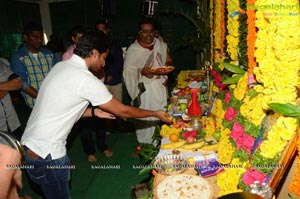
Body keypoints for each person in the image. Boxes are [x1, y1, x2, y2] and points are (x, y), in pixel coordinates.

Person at [21, 29, 172, 199]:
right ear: (94, 53)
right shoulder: (85, 79)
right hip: (48, 156)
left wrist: (93, 111)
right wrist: (156, 113)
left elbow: (61, 109)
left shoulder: (61, 66)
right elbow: (123, 111)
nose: (104, 64)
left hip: (29, 149)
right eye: (103, 58)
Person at [123, 18, 173, 144]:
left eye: (151, 31)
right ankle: (144, 145)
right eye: (145, 32)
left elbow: (169, 61)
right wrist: (141, 71)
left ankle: (159, 142)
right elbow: (127, 71)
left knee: (161, 113)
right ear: (139, 33)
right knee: (144, 117)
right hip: (143, 90)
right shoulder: (133, 49)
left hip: (159, 86)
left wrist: (165, 72)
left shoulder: (160, 44)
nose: (148, 35)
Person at [95, 19, 135, 133]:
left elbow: (119, 61)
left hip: (116, 80)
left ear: (108, 30)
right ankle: (108, 128)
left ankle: (122, 126)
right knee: (104, 106)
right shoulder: (95, 45)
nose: (102, 31)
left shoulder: (115, 43)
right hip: (102, 82)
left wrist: (112, 75)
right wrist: (105, 76)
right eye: (99, 29)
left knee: (119, 105)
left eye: (103, 29)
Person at [10, 22, 57, 110]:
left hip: (54, 100)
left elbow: (57, 76)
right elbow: (22, 83)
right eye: (35, 37)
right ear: (25, 37)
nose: (39, 40)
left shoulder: (49, 54)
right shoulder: (18, 57)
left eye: (41, 37)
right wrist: (42, 98)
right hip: (35, 104)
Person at [0, 58, 23, 140]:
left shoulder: (2, 63)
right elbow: (13, 84)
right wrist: (8, 86)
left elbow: (18, 83)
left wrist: (11, 85)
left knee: (18, 150)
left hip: (13, 123)